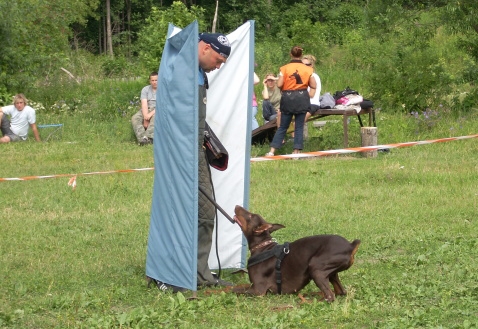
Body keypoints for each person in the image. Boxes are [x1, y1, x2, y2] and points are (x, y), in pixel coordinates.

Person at [154, 33, 233, 292]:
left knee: (200, 213)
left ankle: (196, 273)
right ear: (205, 48)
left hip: (193, 151)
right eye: (219, 59)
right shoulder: (182, 71)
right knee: (200, 213)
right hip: (182, 154)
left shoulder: (195, 71)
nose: (219, 66)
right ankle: (180, 274)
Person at [266, 46, 316, 156]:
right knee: (298, 126)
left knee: (283, 126)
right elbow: (313, 85)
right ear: (301, 55)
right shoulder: (308, 69)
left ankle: (272, 151)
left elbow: (279, 84)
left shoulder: (284, 68)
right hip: (302, 97)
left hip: (288, 98)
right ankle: (296, 152)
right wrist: (308, 94)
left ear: (291, 54)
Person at [131, 71, 158, 145]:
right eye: (152, 80)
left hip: (157, 109)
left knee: (156, 117)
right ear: (150, 81)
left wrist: (150, 115)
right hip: (146, 109)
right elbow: (144, 104)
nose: (154, 82)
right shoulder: (145, 89)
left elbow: (162, 105)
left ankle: (148, 137)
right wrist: (146, 116)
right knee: (135, 118)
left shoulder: (163, 90)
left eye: (156, 80)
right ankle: (142, 139)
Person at [302, 54, 322, 122]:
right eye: (302, 65)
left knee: (297, 124)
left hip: (312, 104)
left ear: (311, 65)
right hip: (302, 104)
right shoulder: (302, 76)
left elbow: (311, 95)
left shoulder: (314, 76)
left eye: (307, 65)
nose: (304, 67)